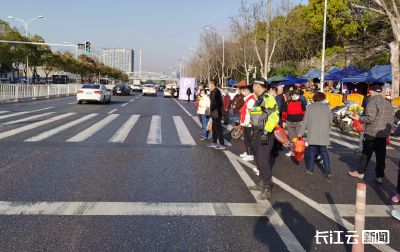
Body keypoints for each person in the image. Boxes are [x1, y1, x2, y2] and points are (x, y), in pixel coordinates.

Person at [348, 85, 393, 183]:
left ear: (371, 92)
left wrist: (358, 118)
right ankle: (379, 176)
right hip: (383, 134)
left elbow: (370, 118)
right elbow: (391, 120)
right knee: (381, 156)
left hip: (372, 133)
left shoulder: (372, 102)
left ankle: (360, 172)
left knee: (366, 154)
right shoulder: (387, 103)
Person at [247, 77, 279, 200]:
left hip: (264, 132)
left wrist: (266, 131)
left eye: (253, 85)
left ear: (258, 86)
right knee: (258, 159)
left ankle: (267, 188)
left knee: (263, 160)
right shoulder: (258, 99)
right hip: (257, 131)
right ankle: (262, 182)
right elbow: (258, 115)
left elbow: (274, 115)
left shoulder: (268, 98)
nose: (252, 87)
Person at [298, 92, 333, 177]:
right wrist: (326, 128)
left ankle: (310, 168)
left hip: (312, 132)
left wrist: (300, 133)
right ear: (322, 99)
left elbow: (305, 122)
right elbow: (330, 121)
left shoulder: (309, 108)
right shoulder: (327, 108)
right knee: (324, 151)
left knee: (312, 151)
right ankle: (327, 170)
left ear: (314, 99)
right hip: (323, 133)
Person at [281, 90, 307, 156]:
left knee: (299, 138)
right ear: (291, 96)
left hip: (299, 122)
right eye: (295, 95)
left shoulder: (301, 102)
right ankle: (292, 151)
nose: (297, 96)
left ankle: (300, 151)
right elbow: (284, 113)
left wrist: (303, 121)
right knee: (292, 138)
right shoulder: (287, 103)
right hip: (290, 122)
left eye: (297, 95)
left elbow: (304, 112)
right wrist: (283, 121)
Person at [207, 80, 226, 150]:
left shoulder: (216, 92)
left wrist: (212, 108)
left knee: (218, 128)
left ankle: (222, 143)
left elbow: (218, 103)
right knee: (214, 128)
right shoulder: (213, 91)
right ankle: (214, 141)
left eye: (209, 83)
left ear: (212, 84)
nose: (209, 85)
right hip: (214, 112)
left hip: (217, 112)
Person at [239, 85, 256, 161]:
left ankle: (250, 154)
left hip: (248, 123)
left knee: (248, 140)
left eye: (245, 91)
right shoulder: (248, 99)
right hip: (245, 122)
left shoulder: (251, 100)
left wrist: (247, 121)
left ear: (248, 91)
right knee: (246, 139)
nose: (244, 92)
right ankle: (247, 152)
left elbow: (251, 112)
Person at [269, 87, 283, 156]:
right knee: (272, 136)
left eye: (270, 91)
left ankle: (275, 151)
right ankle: (273, 150)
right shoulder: (273, 99)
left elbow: (277, 110)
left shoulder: (278, 99)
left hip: (275, 120)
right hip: (272, 120)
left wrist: (276, 121)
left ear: (273, 92)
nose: (269, 92)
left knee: (276, 136)